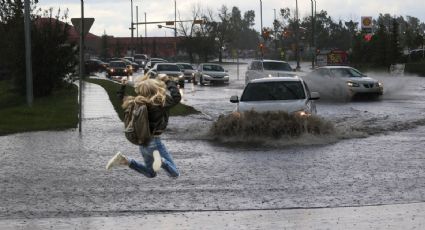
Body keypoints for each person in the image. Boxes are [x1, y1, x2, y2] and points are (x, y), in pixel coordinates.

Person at [106, 75, 181, 178]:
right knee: (175, 174)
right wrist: (168, 81)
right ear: (155, 89)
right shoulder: (159, 103)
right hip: (155, 142)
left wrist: (123, 86)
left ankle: (125, 160)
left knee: (150, 174)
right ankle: (162, 161)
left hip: (143, 143)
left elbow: (121, 98)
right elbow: (176, 98)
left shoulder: (135, 103)